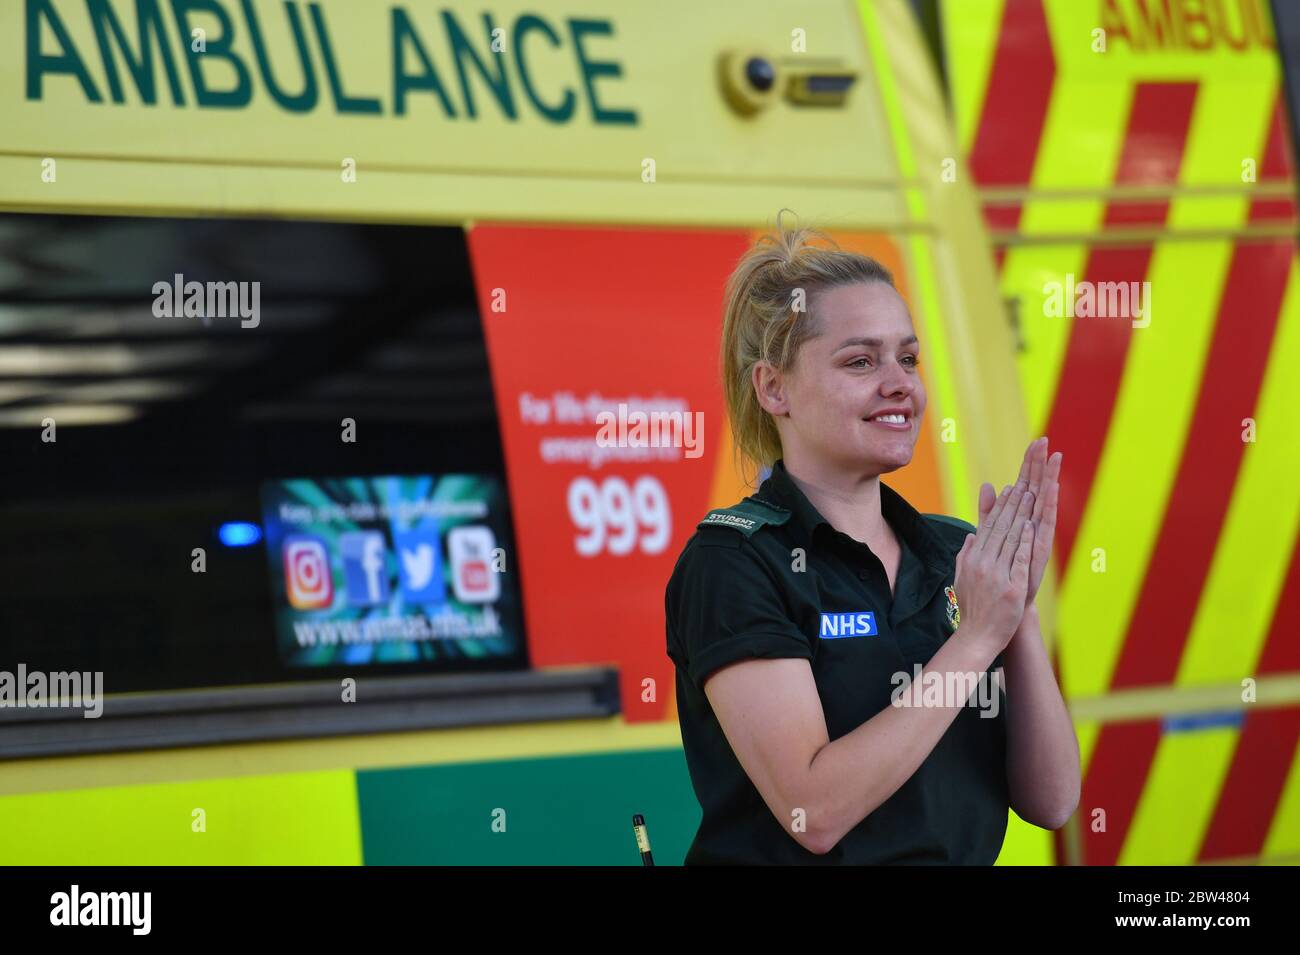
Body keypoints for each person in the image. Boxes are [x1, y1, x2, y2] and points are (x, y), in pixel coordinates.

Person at [665, 217, 1080, 864]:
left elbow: (1051, 802)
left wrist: (1013, 615)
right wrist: (973, 640)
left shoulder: (952, 552)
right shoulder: (735, 563)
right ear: (774, 388)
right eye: (860, 360)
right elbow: (815, 811)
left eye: (908, 358)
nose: (900, 384)